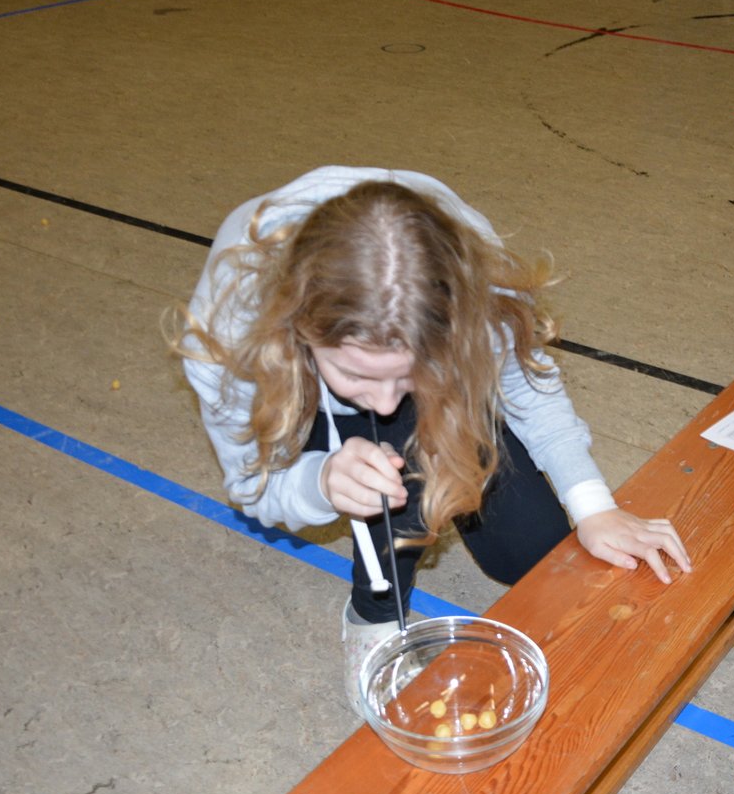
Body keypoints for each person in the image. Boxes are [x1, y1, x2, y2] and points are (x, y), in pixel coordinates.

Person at [174, 167, 692, 714]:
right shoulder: (229, 336)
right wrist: (320, 480)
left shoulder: (475, 276)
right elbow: (253, 486)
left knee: (531, 556)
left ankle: (402, 383)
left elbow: (527, 385)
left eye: (407, 375)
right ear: (299, 329)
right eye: (356, 375)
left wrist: (593, 505)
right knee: (401, 467)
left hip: (427, 347)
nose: (383, 404)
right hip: (292, 383)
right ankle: (372, 617)